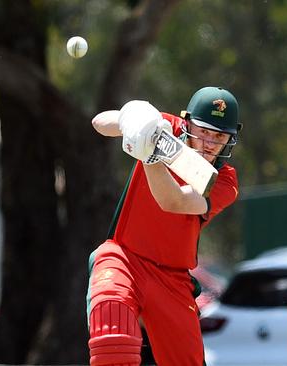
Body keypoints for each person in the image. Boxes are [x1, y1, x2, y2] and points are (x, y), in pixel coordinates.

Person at [86, 86, 241, 366]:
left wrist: (150, 155)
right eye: (203, 131)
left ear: (230, 139)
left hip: (172, 280)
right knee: (113, 342)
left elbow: (173, 202)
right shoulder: (164, 127)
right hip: (124, 257)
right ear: (187, 122)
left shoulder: (224, 182)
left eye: (219, 136)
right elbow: (99, 122)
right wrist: (132, 119)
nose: (209, 142)